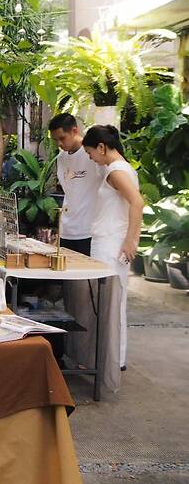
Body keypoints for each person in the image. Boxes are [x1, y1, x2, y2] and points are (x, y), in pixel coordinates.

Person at [82, 125, 142, 371]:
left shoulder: (115, 171)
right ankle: (114, 357)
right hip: (111, 240)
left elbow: (137, 202)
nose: (90, 158)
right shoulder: (119, 168)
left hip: (110, 243)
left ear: (101, 147)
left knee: (109, 302)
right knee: (113, 301)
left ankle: (112, 359)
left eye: (90, 153)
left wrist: (131, 240)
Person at [48, 113, 103, 256]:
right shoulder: (61, 158)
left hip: (89, 231)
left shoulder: (94, 155)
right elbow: (69, 193)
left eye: (62, 138)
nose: (59, 144)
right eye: (55, 140)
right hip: (66, 231)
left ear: (74, 131)